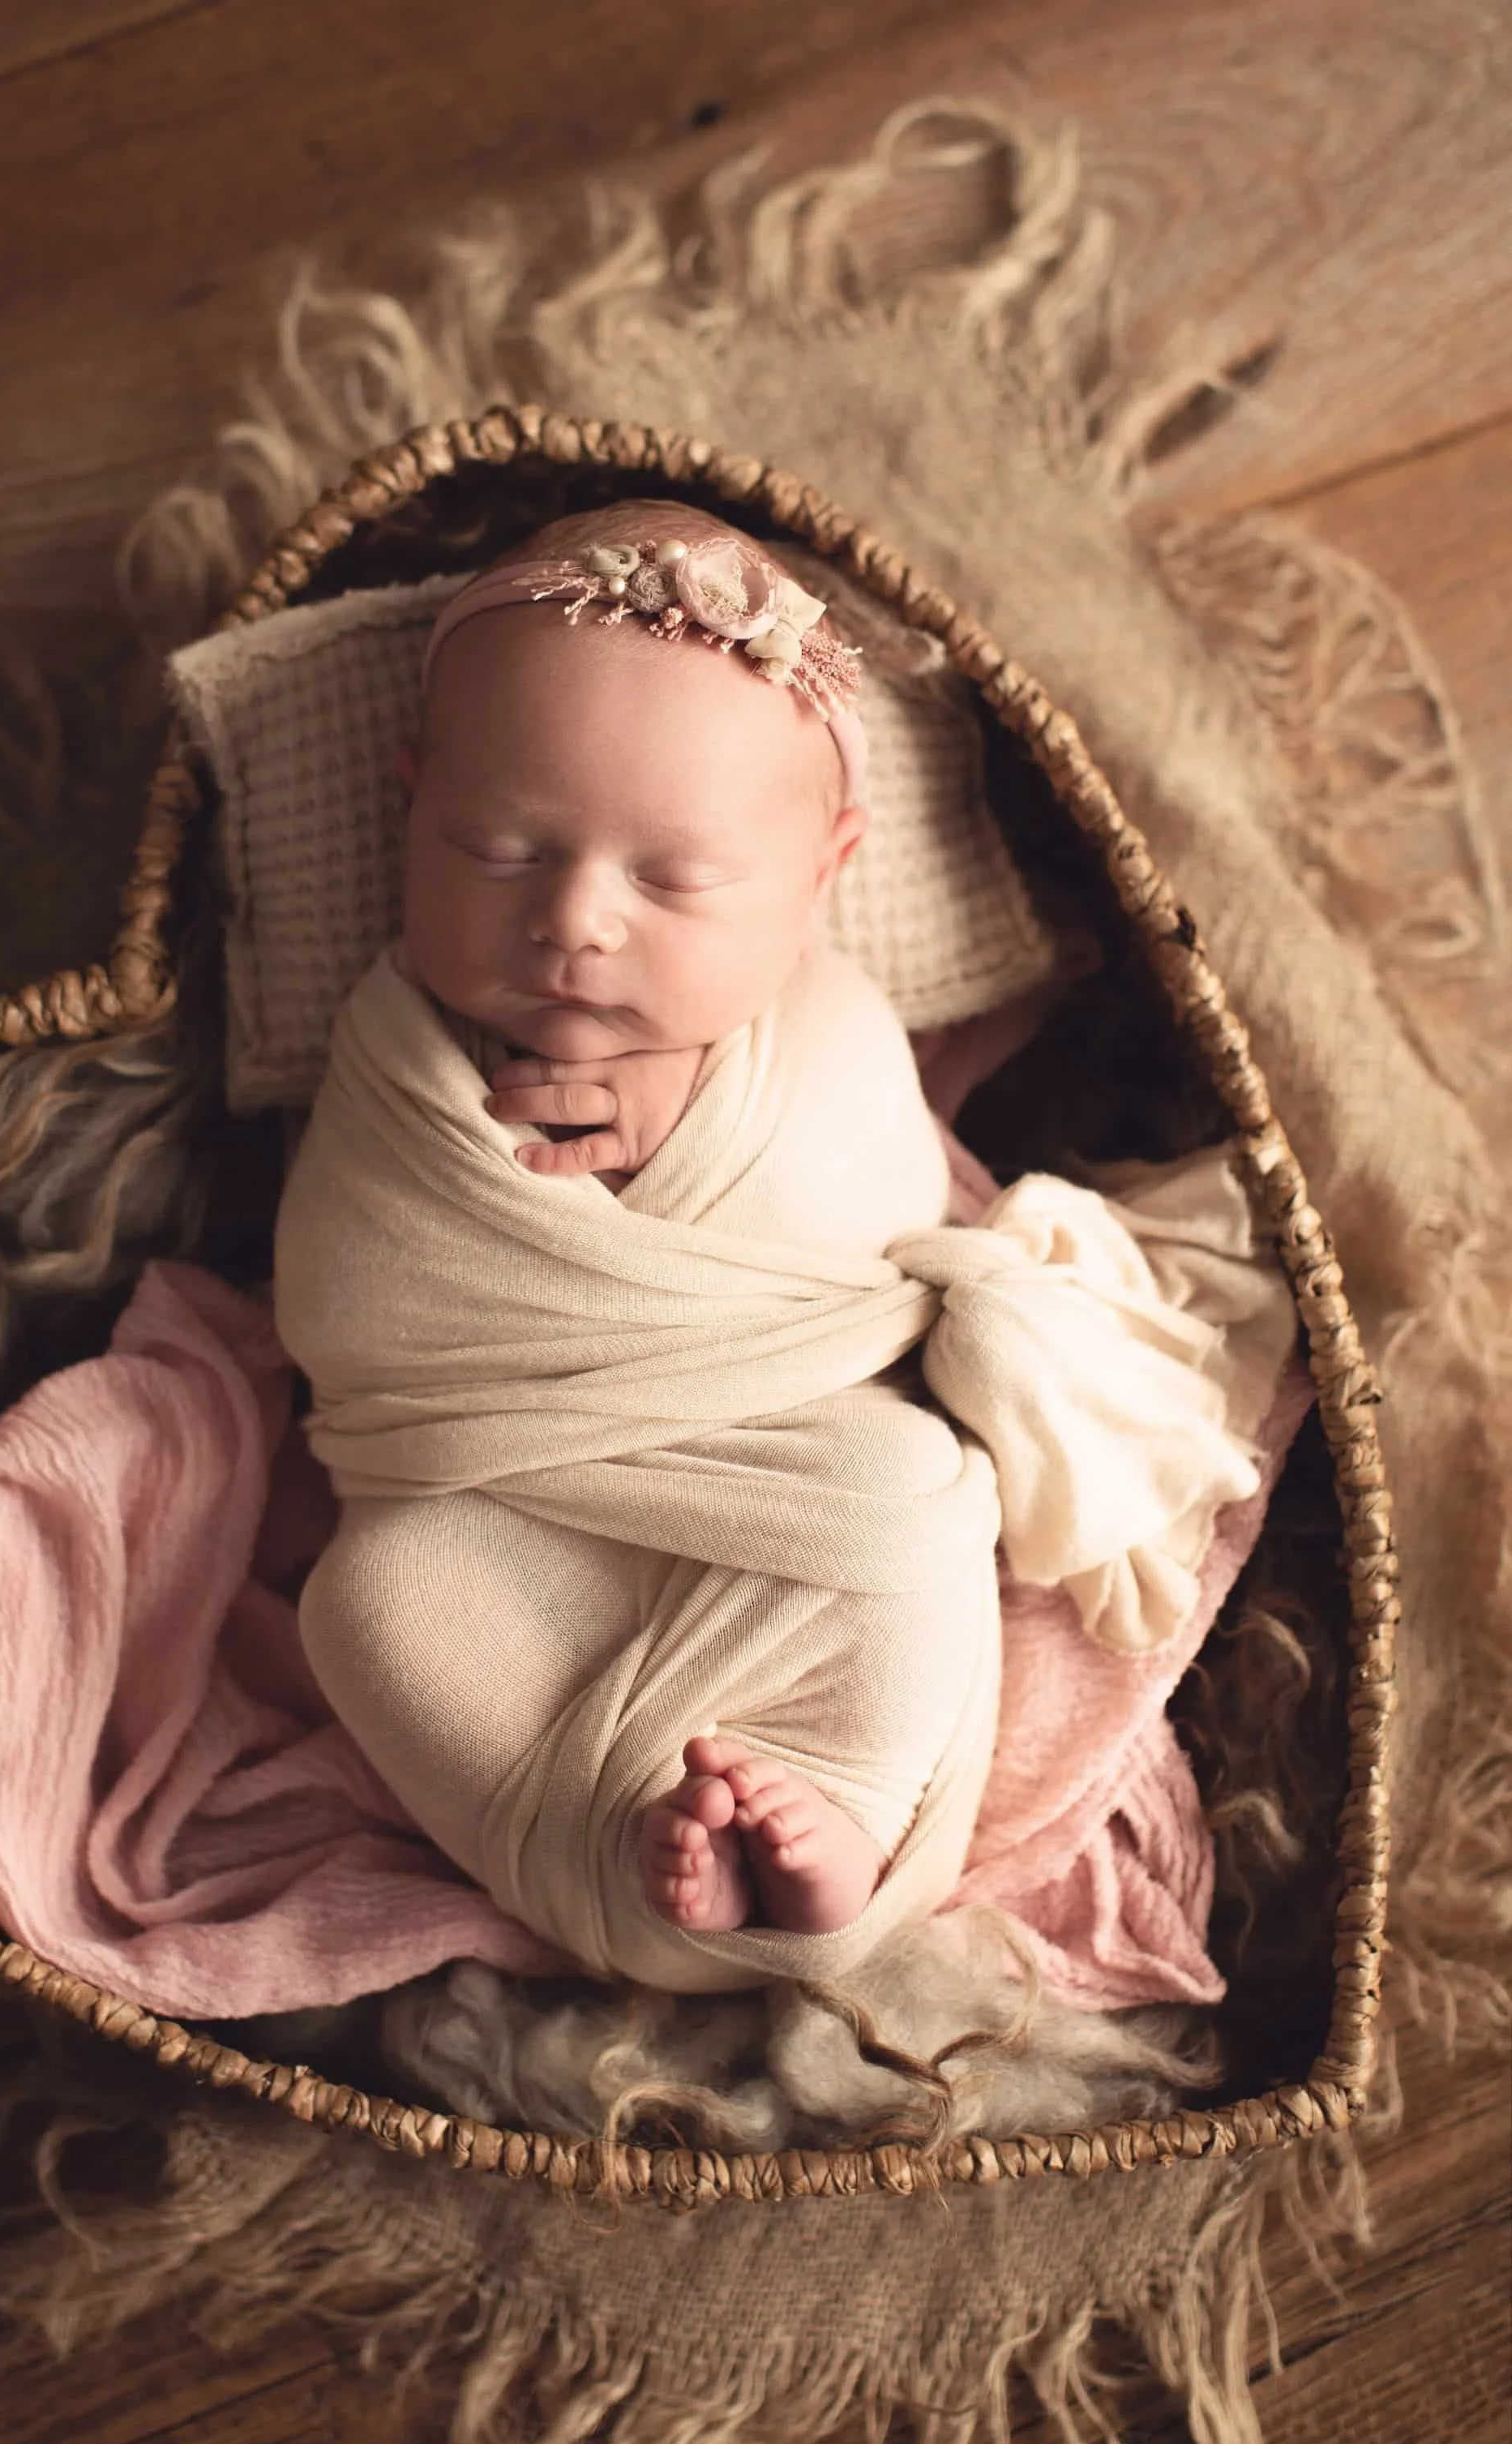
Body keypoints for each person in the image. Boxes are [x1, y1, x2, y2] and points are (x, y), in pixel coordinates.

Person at [272, 500, 1288, 1992]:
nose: (572, 922)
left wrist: (694, 1123)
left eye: (669, 882)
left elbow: (876, 1236)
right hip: (496, 1497)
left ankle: (838, 1839)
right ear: (408, 804)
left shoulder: (822, 1031)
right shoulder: (390, 1051)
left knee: (907, 1497)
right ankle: (605, 1855)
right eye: (493, 849)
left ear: (825, 872)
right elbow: (352, 1298)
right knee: (364, 1606)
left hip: (791, 1468)